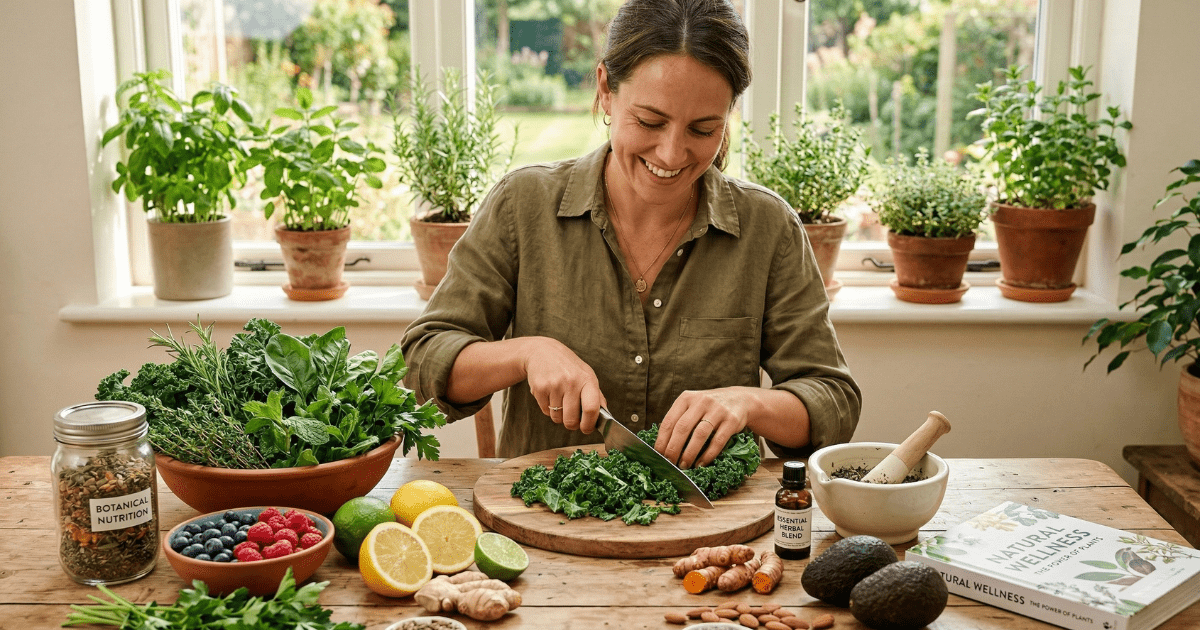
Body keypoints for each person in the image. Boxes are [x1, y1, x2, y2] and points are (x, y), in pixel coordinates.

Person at [401, 0, 860, 468]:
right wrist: (526, 353)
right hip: (542, 519)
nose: (673, 152)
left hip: (715, 528)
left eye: (704, 129)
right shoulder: (524, 205)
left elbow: (833, 401)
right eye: (649, 121)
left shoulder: (769, 228)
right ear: (605, 89)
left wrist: (748, 403)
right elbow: (424, 359)